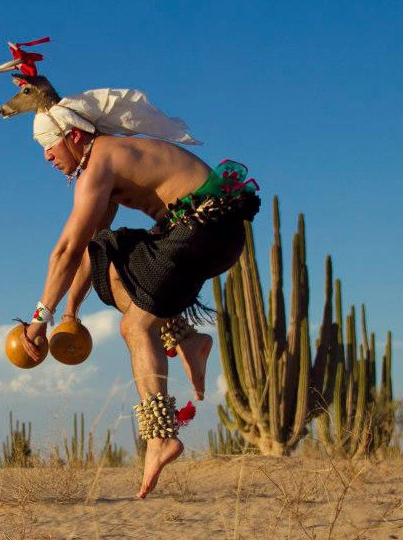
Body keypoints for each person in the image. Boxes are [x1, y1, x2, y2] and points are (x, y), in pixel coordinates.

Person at [15, 89, 260, 498]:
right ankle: (189, 339)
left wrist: (40, 318)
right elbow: (93, 250)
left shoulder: (99, 163)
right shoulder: (108, 163)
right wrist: (70, 313)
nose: (46, 156)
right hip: (213, 232)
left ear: (74, 136)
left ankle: (161, 435)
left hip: (203, 228)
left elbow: (65, 249)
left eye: (48, 145)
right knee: (112, 256)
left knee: (135, 326)